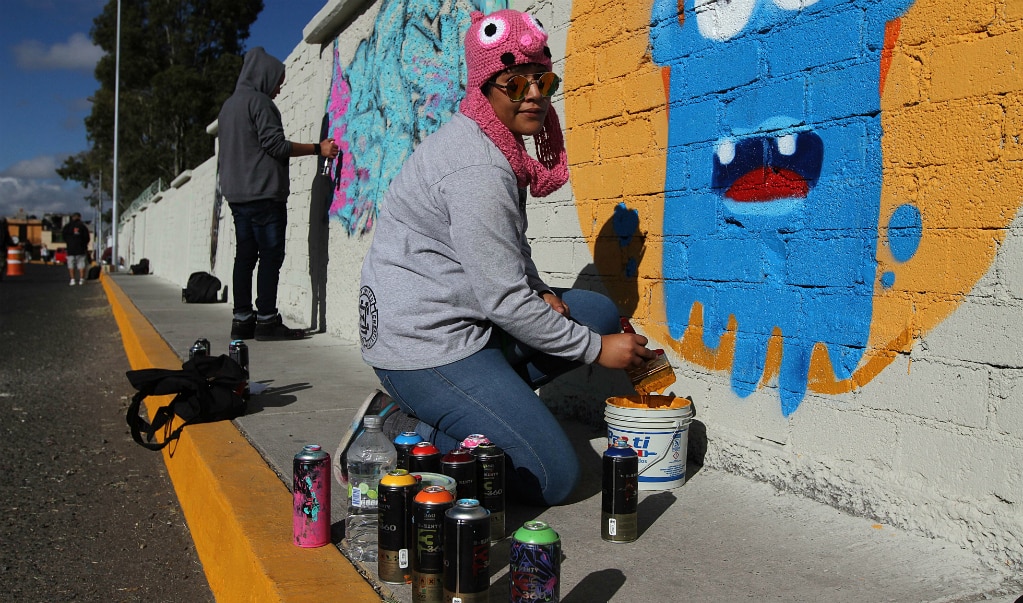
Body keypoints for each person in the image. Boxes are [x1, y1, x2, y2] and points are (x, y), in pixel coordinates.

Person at [353, 10, 656, 507]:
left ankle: (478, 408)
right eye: (515, 83)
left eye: (543, 80)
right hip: (423, 346)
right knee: (552, 476)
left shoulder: (496, 145)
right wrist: (596, 352)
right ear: (484, 89)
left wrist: (540, 290)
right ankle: (400, 430)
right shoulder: (476, 165)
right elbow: (502, 298)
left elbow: (507, 254)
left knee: (596, 313)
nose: (534, 94)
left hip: (464, 320)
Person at [218, 46, 339, 341]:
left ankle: (242, 320)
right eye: (277, 81)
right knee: (271, 257)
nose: (279, 89)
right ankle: (267, 322)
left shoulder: (228, 107)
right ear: (264, 76)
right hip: (264, 195)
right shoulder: (259, 103)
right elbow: (275, 145)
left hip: (237, 196)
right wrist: (317, 149)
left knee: (245, 257)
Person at [61, 212, 90, 286]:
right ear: (79, 217)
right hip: (80, 249)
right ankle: (81, 279)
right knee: (81, 264)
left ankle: (72, 280)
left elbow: (63, 236)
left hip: (70, 249)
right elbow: (87, 238)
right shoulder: (82, 226)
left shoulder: (67, 226)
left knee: (71, 265)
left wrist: (69, 243)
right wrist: (84, 245)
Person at [0, 217, 14, 281]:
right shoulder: (4, 230)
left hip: (2, 248)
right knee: (2, 263)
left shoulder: (4, 230)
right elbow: (8, 240)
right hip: (2, 249)